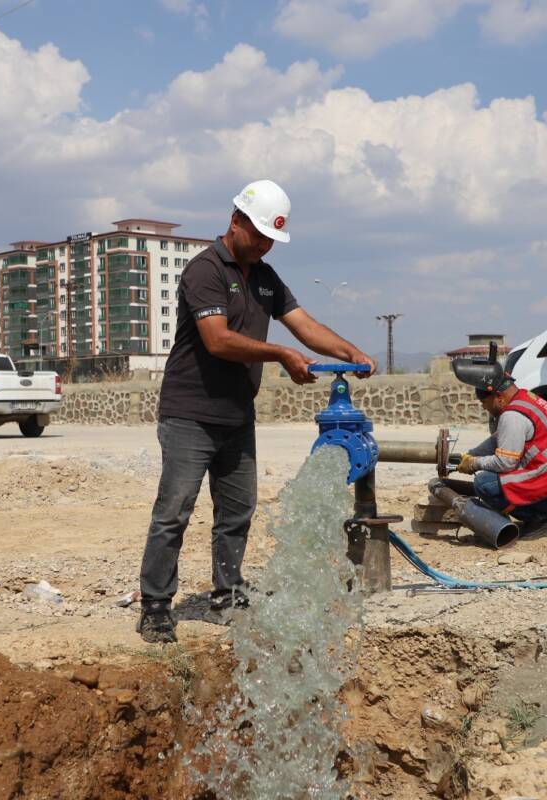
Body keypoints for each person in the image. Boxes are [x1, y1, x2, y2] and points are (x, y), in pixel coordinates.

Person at [137, 179, 377, 643]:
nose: (266, 245)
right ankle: (155, 606)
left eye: (272, 239)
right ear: (236, 222)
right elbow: (218, 339)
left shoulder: (264, 276)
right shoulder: (204, 270)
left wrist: (350, 352)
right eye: (260, 235)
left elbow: (304, 326)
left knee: (237, 510)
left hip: (235, 416)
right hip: (189, 414)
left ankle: (227, 594)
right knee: (174, 511)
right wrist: (282, 356)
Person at [454, 366, 547, 536]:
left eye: (484, 402)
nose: (484, 408)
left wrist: (474, 464)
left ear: (498, 397)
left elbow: (505, 463)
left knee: (484, 484)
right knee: (496, 480)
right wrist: (471, 454)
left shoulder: (512, 416)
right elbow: (498, 439)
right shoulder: (526, 397)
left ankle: (543, 521)